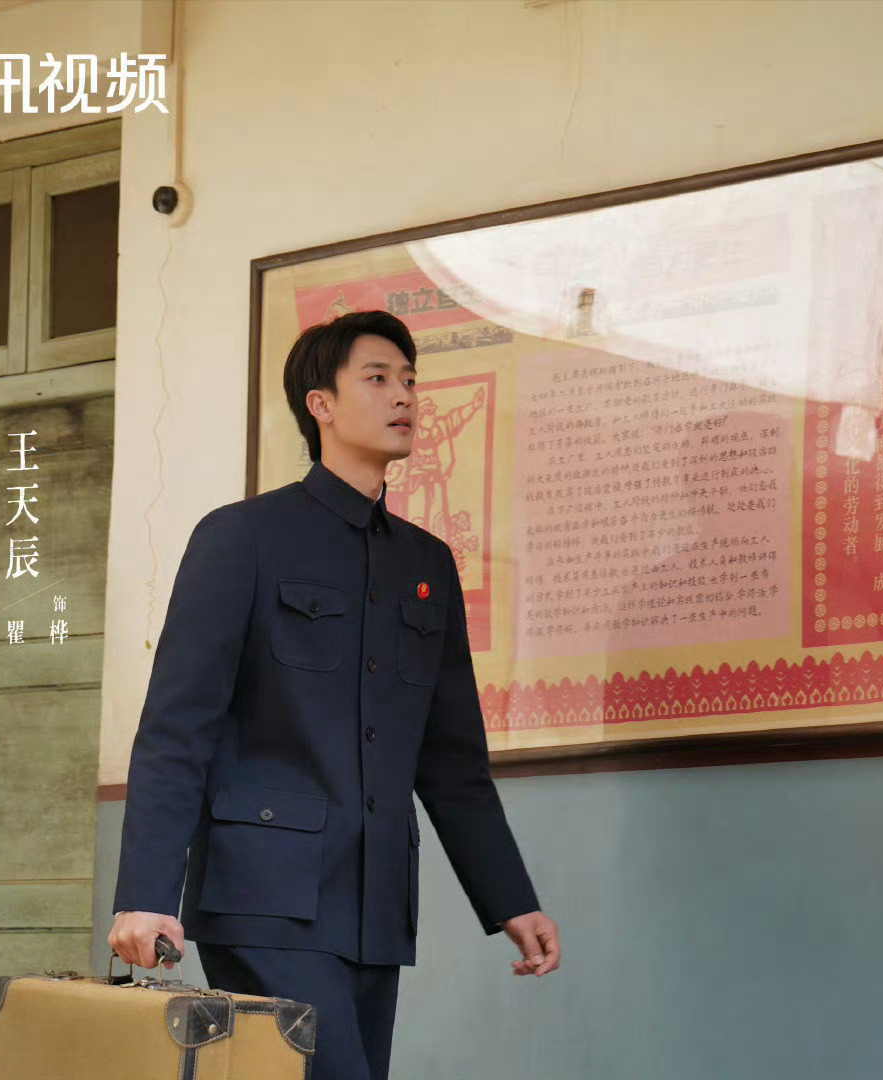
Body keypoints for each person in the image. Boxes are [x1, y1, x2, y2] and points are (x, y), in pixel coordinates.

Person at [108, 309, 560, 1079]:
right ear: (320, 404)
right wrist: (147, 893)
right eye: (378, 379)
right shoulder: (242, 537)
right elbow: (179, 727)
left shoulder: (427, 564)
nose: (404, 396)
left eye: (409, 380)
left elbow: (451, 761)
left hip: (376, 906)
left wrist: (510, 900)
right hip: (262, 899)